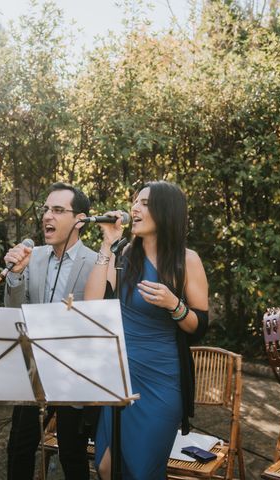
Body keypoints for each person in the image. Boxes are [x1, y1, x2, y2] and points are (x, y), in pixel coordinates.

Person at [84, 180, 209, 479]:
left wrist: (173, 304)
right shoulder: (124, 254)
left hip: (161, 379)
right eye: (135, 202)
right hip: (121, 375)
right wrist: (106, 244)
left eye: (144, 203)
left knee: (142, 471)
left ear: (166, 212)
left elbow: (199, 325)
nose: (134, 208)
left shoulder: (186, 260)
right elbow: (91, 302)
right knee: (105, 466)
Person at [3, 182, 97, 480]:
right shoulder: (34, 257)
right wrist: (15, 276)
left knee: (72, 453)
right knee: (19, 447)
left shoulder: (96, 262)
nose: (47, 216)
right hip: (34, 370)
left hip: (73, 372)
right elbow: (14, 313)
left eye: (58, 210)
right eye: (46, 209)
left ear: (79, 220)